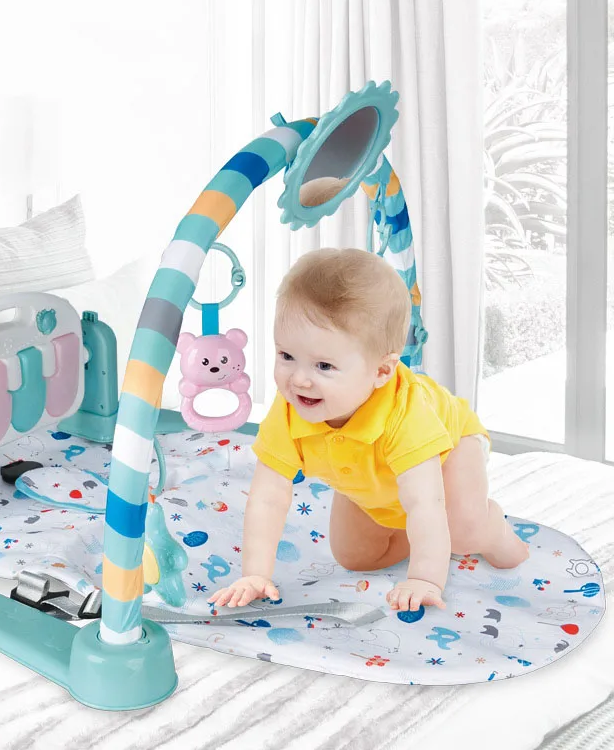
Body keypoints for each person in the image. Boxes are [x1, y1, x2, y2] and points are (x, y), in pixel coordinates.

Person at [208, 248, 529, 614]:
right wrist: (255, 574)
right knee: (357, 557)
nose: (299, 379)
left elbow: (424, 502)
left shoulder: (405, 416)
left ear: (381, 372)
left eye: (324, 366)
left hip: (448, 450)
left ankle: (494, 530)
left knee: (461, 529)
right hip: (373, 472)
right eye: (287, 356)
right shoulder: (289, 410)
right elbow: (268, 496)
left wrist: (424, 578)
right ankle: (418, 533)